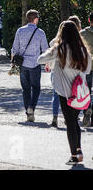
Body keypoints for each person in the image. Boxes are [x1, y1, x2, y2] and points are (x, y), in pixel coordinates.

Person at [37, 20, 92, 166]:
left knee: (70, 123)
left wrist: (55, 47)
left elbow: (40, 59)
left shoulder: (59, 49)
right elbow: (87, 70)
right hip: (80, 92)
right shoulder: (83, 51)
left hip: (65, 93)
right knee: (75, 122)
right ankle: (78, 150)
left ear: (62, 33)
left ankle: (74, 155)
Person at [12, 9, 49, 122]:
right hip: (35, 64)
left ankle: (28, 111)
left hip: (23, 65)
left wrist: (12, 64)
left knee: (25, 89)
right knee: (36, 88)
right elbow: (45, 50)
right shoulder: (40, 32)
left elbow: (14, 49)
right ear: (36, 19)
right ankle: (32, 107)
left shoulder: (20, 31)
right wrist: (47, 63)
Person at [80, 12, 93, 126]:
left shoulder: (82, 33)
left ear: (89, 20)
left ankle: (87, 110)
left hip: (87, 66)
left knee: (87, 90)